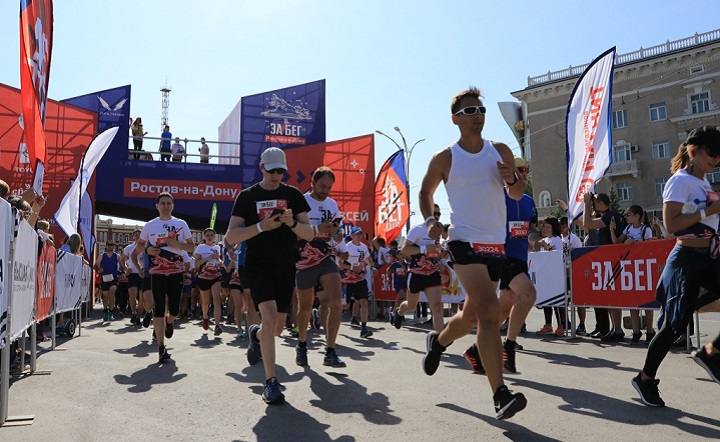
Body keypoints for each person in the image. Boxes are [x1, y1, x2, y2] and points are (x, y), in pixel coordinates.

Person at [418, 86, 527, 420]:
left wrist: (513, 180)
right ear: (456, 119)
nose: (477, 115)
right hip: (463, 241)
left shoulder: (500, 150)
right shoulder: (445, 157)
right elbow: (425, 192)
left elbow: (518, 193)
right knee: (490, 312)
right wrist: (431, 221)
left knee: (471, 318)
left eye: (481, 110)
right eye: (470, 111)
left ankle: (439, 342)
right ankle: (500, 395)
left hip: (495, 244)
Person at [631, 127, 720, 407]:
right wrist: (709, 210)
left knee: (678, 322)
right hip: (685, 260)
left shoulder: (704, 182)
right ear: (693, 151)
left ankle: (710, 352)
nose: (716, 159)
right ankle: (645, 378)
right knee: (673, 326)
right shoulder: (679, 181)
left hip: (709, 257)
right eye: (712, 153)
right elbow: (671, 225)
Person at [225, 147, 313, 405]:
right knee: (270, 316)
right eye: (272, 170)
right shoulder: (247, 196)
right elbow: (231, 236)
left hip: (285, 265)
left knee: (275, 329)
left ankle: (255, 334)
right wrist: (261, 226)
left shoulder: (293, 195)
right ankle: (271, 382)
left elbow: (309, 234)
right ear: (261, 167)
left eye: (280, 171)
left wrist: (291, 223)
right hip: (257, 265)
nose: (276, 176)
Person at [464, 156, 537, 374]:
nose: (524, 173)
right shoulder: (497, 197)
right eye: (520, 170)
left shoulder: (529, 201)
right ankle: (509, 347)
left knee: (503, 310)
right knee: (529, 294)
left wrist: (538, 236)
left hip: (520, 258)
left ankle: (475, 351)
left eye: (526, 170)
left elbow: (531, 231)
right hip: (502, 256)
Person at [293, 166, 346, 368]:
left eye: (329, 187)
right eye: (322, 186)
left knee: (336, 303)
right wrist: (316, 229)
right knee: (305, 308)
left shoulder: (332, 204)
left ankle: (330, 350)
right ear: (312, 183)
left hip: (326, 255)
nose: (326, 190)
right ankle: (302, 345)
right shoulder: (301, 201)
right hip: (304, 257)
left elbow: (338, 234)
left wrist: (336, 233)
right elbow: (294, 231)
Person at [133, 192, 195, 362]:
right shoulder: (150, 225)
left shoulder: (181, 224)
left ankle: (170, 321)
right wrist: (147, 250)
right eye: (163, 203)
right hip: (157, 271)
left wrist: (179, 244)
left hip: (176, 271)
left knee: (174, 309)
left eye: (169, 203)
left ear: (173, 206)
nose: (166, 206)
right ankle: (161, 347)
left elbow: (191, 247)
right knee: (159, 308)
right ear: (157, 206)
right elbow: (139, 245)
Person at [610, 205, 656, 345]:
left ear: (637, 216)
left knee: (647, 302)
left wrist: (635, 243)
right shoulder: (628, 228)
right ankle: (636, 332)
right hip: (630, 268)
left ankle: (650, 331)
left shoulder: (645, 230)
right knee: (633, 301)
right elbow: (616, 242)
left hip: (643, 268)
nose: (626, 216)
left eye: (628, 214)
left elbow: (650, 247)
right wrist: (612, 230)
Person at [582, 192, 623, 340]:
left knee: (613, 297)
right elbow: (586, 223)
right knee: (609, 298)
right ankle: (615, 329)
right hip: (607, 261)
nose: (592, 205)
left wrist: (586, 204)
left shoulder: (609, 216)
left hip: (612, 261)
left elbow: (587, 223)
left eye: (594, 202)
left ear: (600, 203)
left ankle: (617, 329)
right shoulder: (606, 216)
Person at [393, 217, 445, 332]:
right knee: (411, 305)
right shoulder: (418, 229)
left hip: (432, 273)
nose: (437, 216)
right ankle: (399, 312)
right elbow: (404, 249)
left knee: (437, 307)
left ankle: (440, 338)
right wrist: (424, 249)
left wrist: (441, 252)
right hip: (416, 274)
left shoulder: (438, 231)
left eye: (439, 214)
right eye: (435, 213)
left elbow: (436, 251)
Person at [337, 226, 376, 339]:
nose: (359, 236)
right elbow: (339, 264)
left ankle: (364, 328)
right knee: (345, 305)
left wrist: (372, 267)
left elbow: (367, 258)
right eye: (356, 234)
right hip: (346, 280)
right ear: (352, 235)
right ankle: (321, 314)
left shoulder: (363, 247)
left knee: (364, 302)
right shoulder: (347, 247)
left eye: (360, 234)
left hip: (360, 279)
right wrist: (351, 268)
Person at [194, 228, 224, 335]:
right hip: (203, 276)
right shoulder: (200, 247)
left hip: (216, 275)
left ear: (215, 237)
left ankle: (217, 325)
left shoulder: (217, 247)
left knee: (217, 299)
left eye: (212, 235)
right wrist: (208, 258)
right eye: (207, 235)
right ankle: (205, 317)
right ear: (204, 236)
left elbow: (219, 260)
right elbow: (196, 263)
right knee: (206, 301)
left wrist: (220, 262)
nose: (210, 237)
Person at [121, 229, 143, 325]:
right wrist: (126, 268)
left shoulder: (145, 247)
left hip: (142, 274)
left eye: (140, 235)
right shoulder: (129, 248)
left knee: (142, 298)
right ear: (133, 236)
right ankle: (134, 312)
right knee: (132, 295)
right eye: (136, 235)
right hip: (132, 274)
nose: (138, 237)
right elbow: (122, 259)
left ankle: (139, 316)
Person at [97, 241, 119, 322]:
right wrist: (98, 269)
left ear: (113, 246)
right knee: (105, 296)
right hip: (104, 278)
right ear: (106, 246)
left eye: (111, 245)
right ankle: (105, 310)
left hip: (114, 278)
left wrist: (125, 270)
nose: (110, 246)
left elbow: (122, 264)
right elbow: (95, 265)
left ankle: (111, 312)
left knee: (112, 294)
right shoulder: (102, 256)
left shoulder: (117, 256)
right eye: (108, 245)